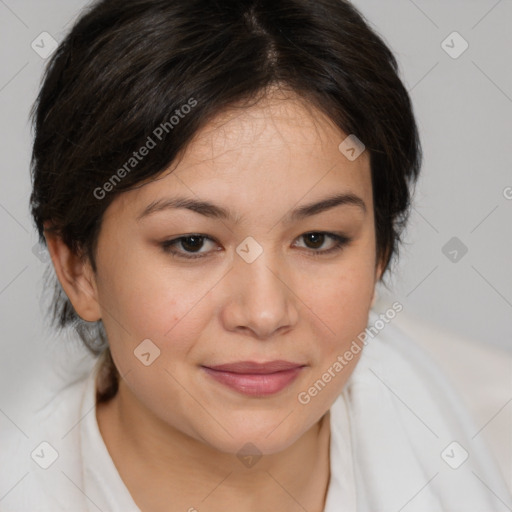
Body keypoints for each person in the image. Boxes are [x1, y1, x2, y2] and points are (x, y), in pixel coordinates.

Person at [1, 0, 510, 510]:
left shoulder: (491, 433)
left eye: (317, 239)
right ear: (77, 268)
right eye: (193, 243)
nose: (265, 314)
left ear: (379, 251)